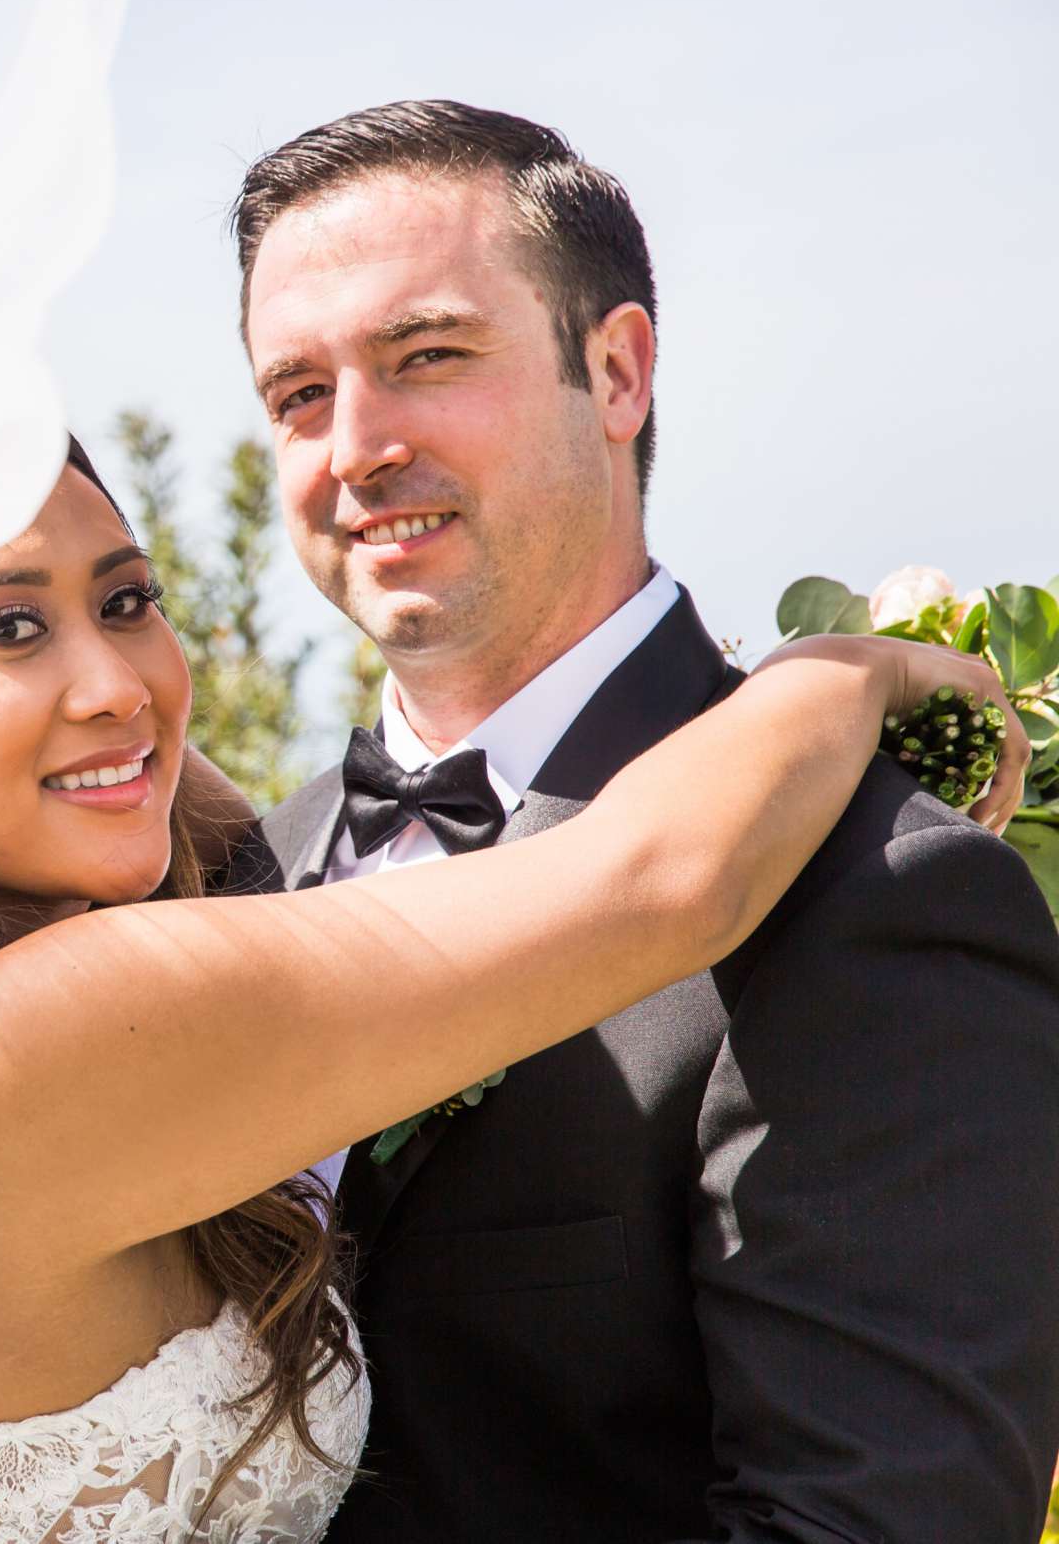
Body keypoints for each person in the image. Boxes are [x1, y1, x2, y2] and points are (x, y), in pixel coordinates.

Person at [0, 433, 1028, 1544]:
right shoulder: (25, 1042)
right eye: (8, 628)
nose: (117, 684)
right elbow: (661, 879)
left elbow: (203, 791)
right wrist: (853, 668)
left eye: (129, 601)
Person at [229, 99, 1059, 1541]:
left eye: (425, 358)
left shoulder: (879, 883)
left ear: (616, 371)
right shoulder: (227, 883)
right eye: (299, 394)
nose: (354, 447)